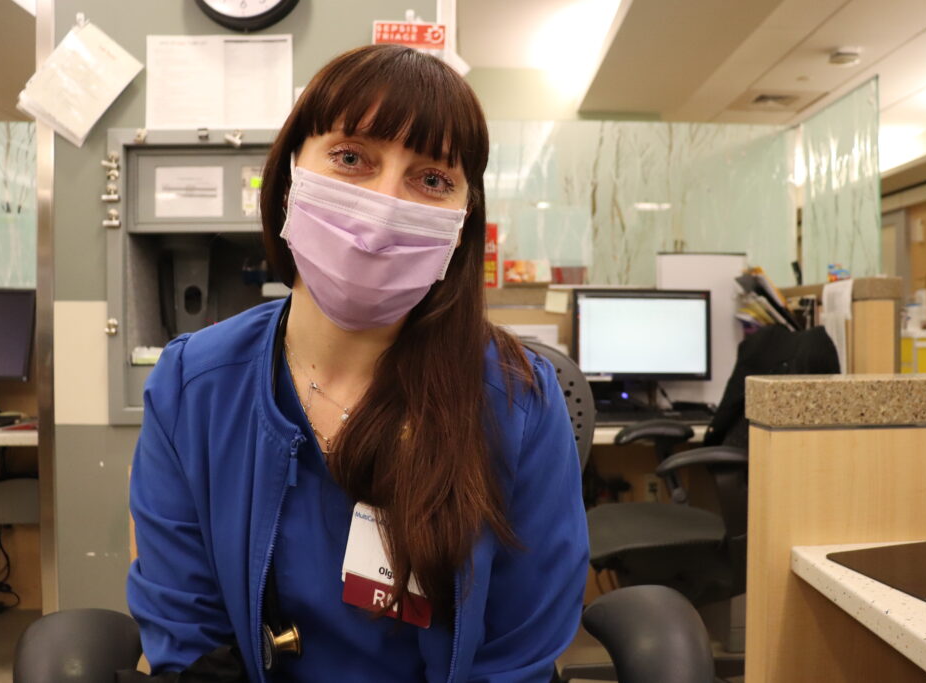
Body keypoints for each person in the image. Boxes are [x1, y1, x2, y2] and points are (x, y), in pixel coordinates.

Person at [127, 44, 589, 683]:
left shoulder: (519, 401)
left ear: (461, 223)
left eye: (431, 179)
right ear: (289, 176)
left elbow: (517, 656)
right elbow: (188, 639)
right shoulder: (193, 385)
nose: (381, 212)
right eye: (351, 159)